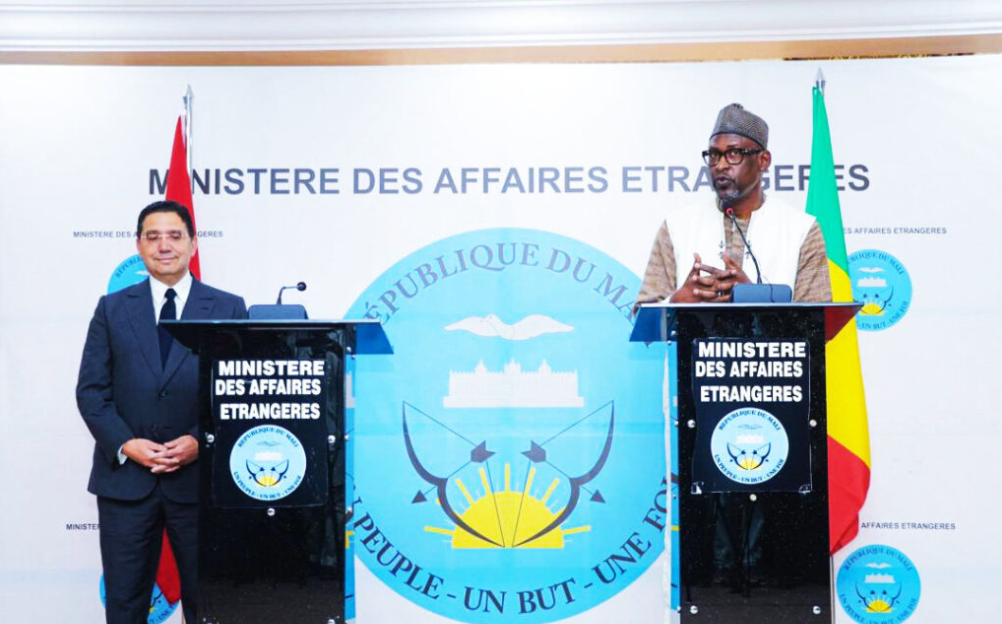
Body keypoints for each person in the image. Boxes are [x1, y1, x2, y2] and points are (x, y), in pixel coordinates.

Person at [76, 200, 246, 624]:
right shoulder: (111, 308)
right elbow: (91, 392)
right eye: (152, 237)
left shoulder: (228, 308)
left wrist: (200, 441)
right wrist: (126, 444)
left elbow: (237, 395)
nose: (164, 245)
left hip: (201, 483)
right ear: (139, 245)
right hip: (126, 483)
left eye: (174, 236)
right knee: (125, 606)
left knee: (210, 607)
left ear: (193, 244)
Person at [636, 103, 831, 306]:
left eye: (734, 153)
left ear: (763, 160)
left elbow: (818, 320)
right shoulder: (676, 226)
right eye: (714, 155)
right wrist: (677, 302)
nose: (721, 165)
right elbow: (642, 315)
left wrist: (755, 298)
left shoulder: (801, 229)